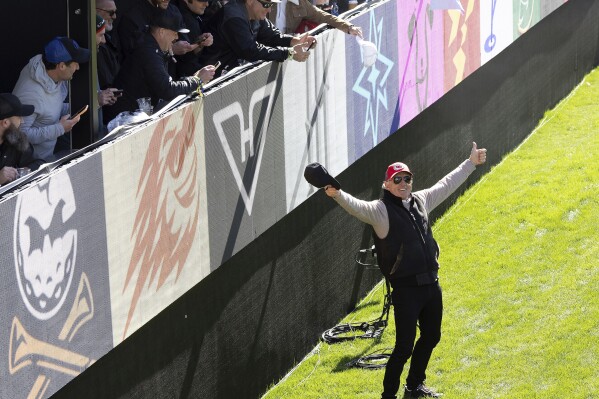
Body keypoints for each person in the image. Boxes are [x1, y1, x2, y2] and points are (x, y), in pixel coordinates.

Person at [324, 142, 488, 399]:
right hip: (406, 291)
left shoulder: (420, 200)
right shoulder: (380, 211)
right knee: (403, 348)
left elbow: (445, 184)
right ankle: (388, 396)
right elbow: (356, 206)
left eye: (407, 178)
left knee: (432, 336)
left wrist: (470, 163)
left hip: (431, 285)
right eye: (397, 179)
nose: (403, 183)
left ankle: (413, 386)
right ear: (386, 184)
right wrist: (336, 194)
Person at [105, 9, 216, 121]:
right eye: (175, 32)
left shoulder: (150, 45)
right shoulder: (148, 51)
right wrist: (197, 80)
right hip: (123, 119)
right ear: (162, 32)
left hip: (133, 113)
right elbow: (167, 90)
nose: (177, 37)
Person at [12, 37, 90, 161]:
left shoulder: (53, 74)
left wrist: (94, 101)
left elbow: (51, 107)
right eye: (75, 63)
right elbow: (20, 135)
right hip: (32, 165)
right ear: (62, 66)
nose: (78, 67)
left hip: (49, 155)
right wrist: (59, 128)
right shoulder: (31, 94)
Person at [201, 0, 316, 75]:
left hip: (230, 73)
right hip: (213, 76)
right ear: (250, 1)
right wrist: (289, 53)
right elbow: (250, 50)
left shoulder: (255, 13)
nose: (269, 10)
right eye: (267, 4)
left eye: (272, 5)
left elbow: (272, 35)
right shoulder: (233, 17)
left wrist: (294, 41)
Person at [0, 93, 43, 185]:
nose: (22, 121)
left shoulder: (16, 139)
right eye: (19, 117)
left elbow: (39, 163)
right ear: (5, 123)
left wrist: (25, 170)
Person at [270, 0, 362, 36]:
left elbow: (325, 17)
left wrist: (349, 27)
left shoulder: (301, 3)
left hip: (286, 49)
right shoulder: (265, 2)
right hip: (263, 51)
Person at [174, 0, 215, 77]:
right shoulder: (178, 15)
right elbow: (186, 57)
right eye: (201, 0)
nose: (206, 4)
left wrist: (201, 40)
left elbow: (193, 51)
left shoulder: (193, 14)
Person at [96, 0, 122, 90]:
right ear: (95, 11)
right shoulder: (93, 44)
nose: (114, 16)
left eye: (115, 12)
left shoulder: (109, 39)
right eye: (111, 13)